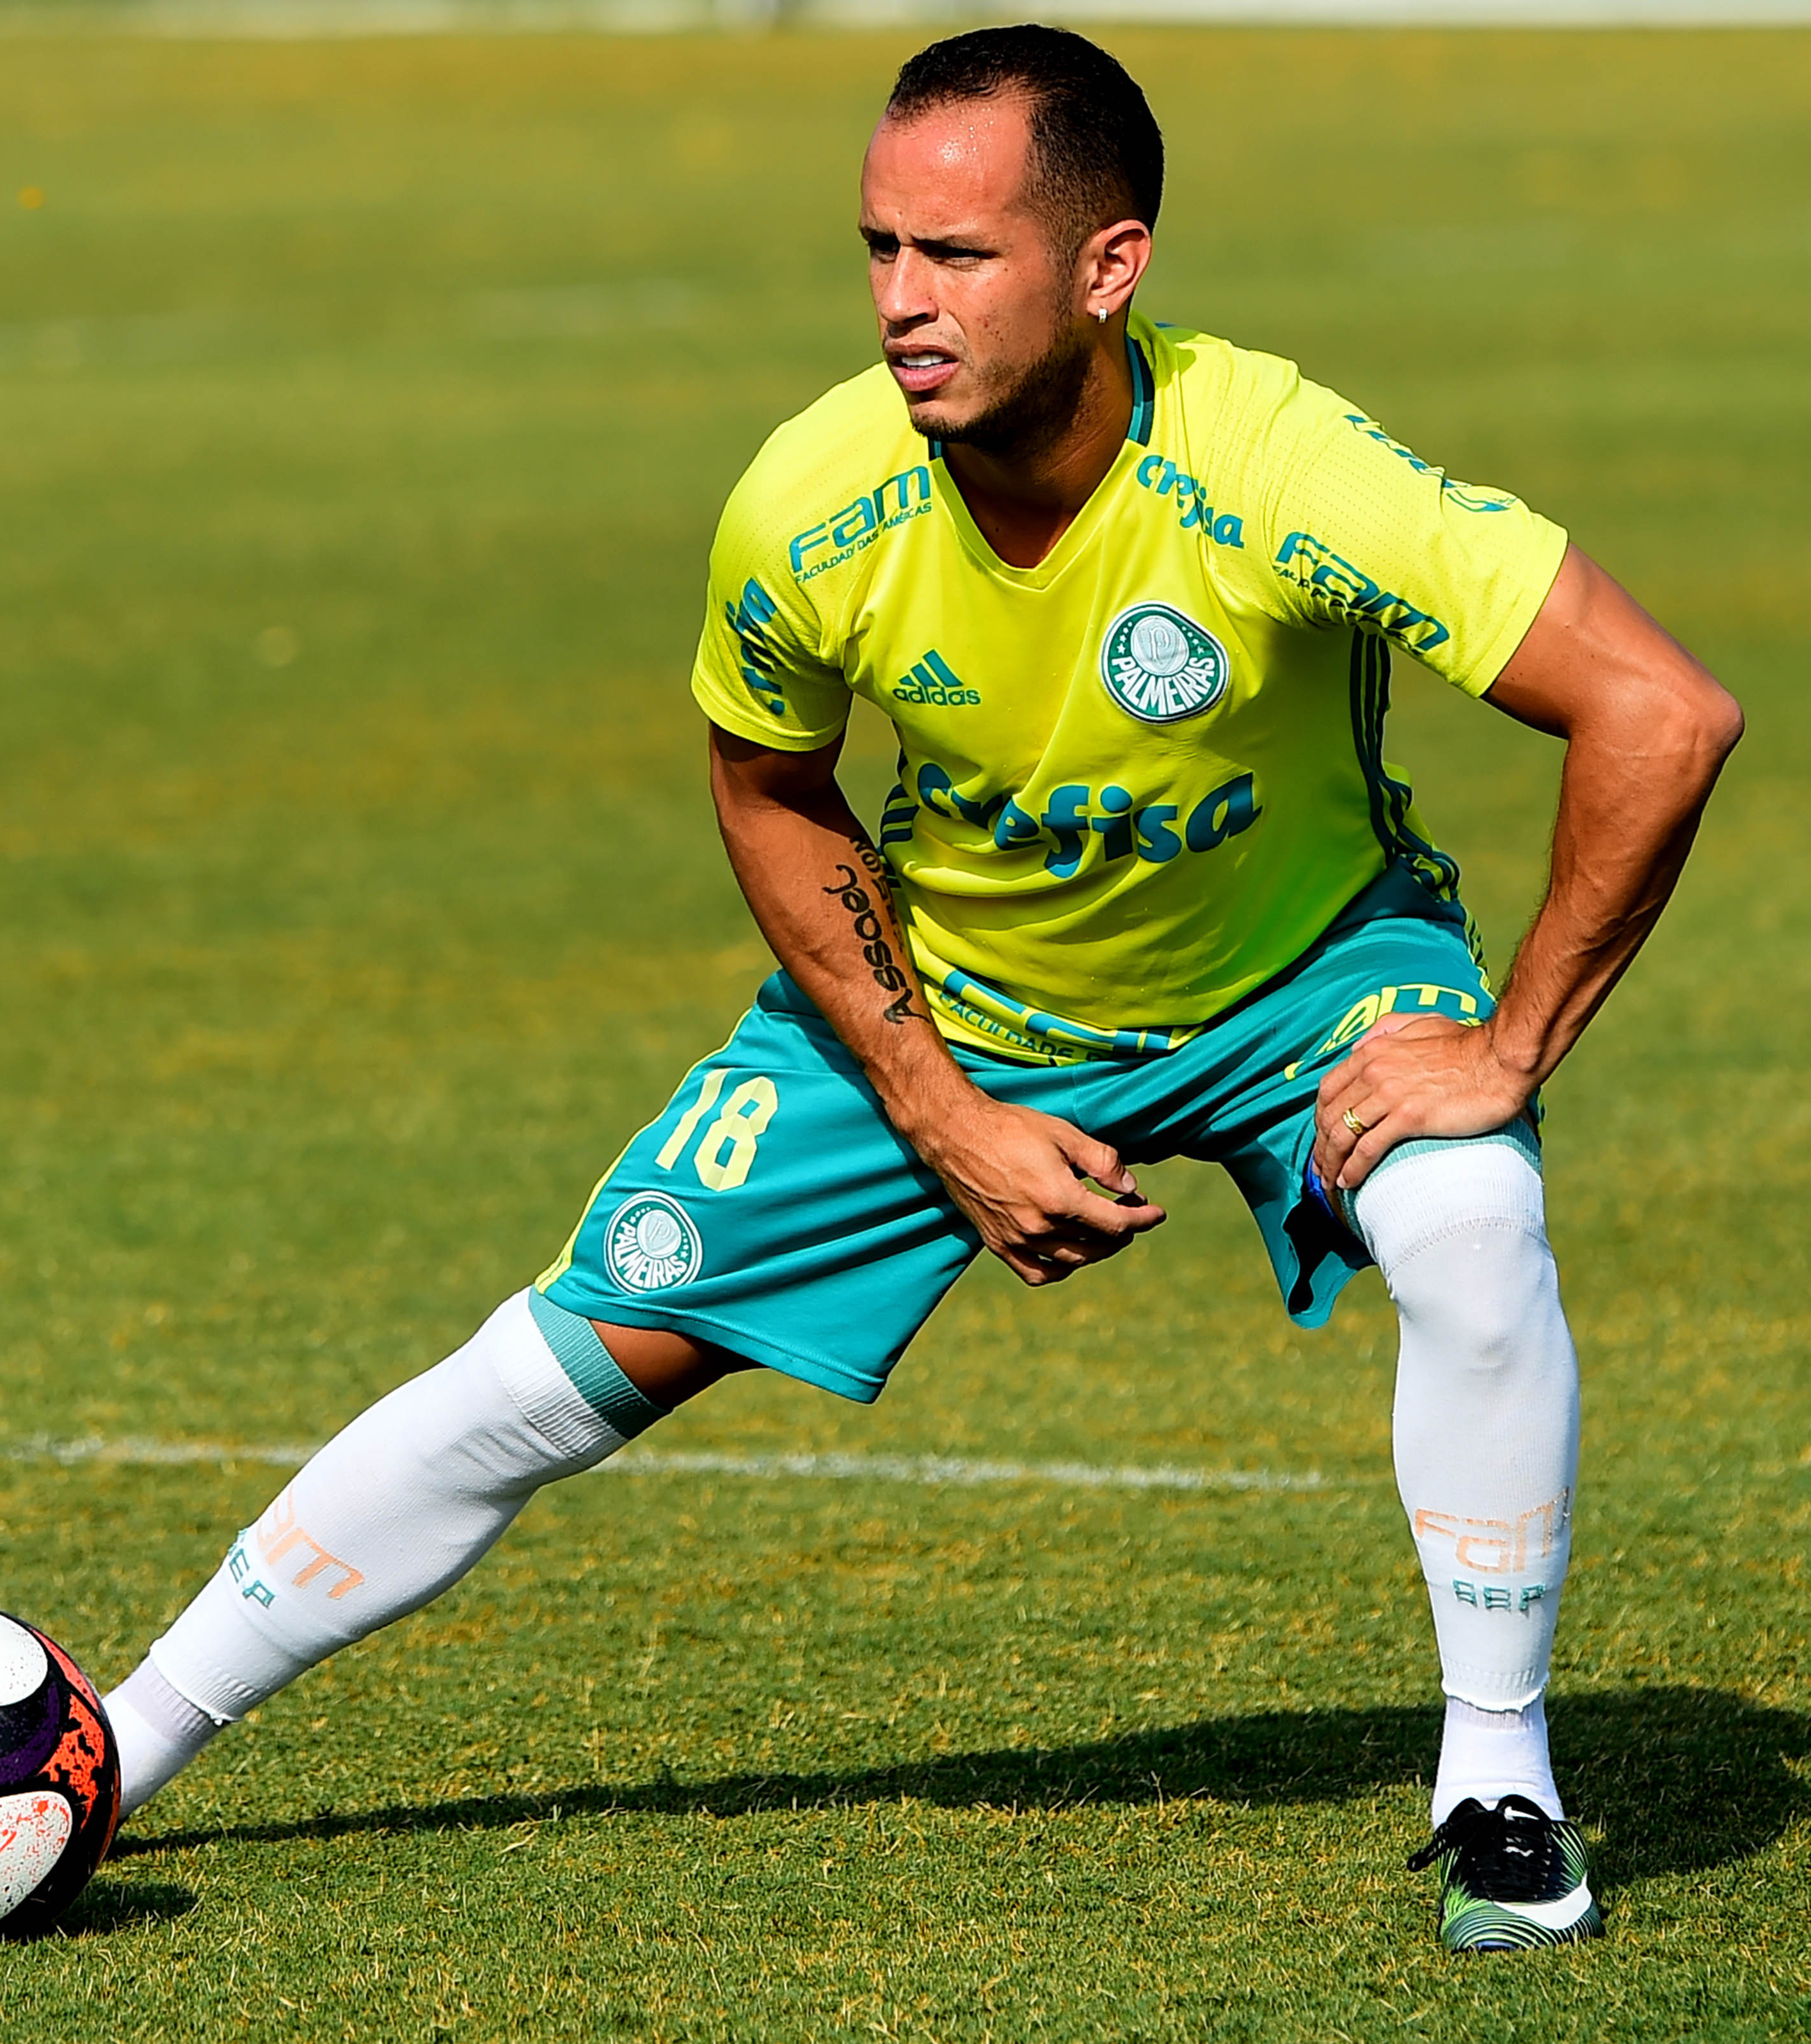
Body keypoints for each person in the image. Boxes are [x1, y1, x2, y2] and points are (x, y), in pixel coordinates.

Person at [97, 22, 1740, 1954]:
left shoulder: (1283, 464)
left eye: (955, 257)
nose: (900, 303)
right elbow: (768, 784)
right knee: (549, 1368)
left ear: (1109, 267)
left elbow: (1661, 707)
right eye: (879, 248)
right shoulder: (808, 502)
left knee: (1473, 1215)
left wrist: (1514, 1037)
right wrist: (941, 1113)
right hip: (949, 995)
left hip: (1306, 970)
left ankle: (1503, 1783)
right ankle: (107, 1752)